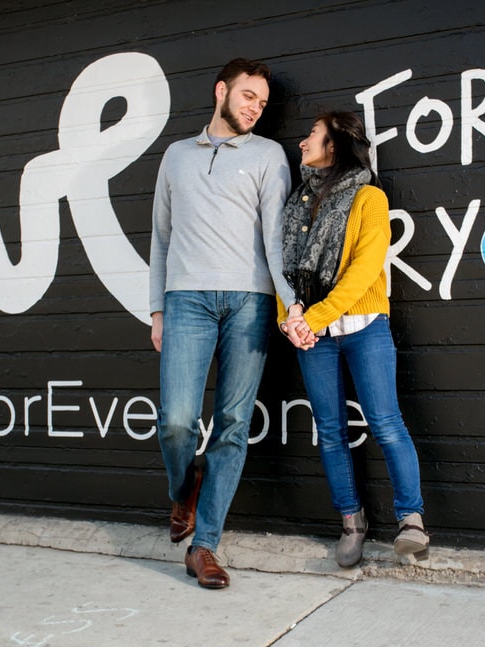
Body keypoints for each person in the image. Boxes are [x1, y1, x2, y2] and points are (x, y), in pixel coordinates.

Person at [149, 58, 297, 589]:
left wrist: (289, 305)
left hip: (250, 303)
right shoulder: (175, 156)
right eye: (248, 96)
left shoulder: (270, 156)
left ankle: (204, 545)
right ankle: (184, 484)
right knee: (176, 421)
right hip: (186, 299)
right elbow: (161, 237)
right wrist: (157, 308)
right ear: (221, 92)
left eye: (262, 101)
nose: (256, 107)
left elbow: (277, 238)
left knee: (233, 426)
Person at [279, 111, 429, 568]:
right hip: (312, 335)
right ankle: (351, 522)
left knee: (386, 423)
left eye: (313, 134)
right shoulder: (297, 203)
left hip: (364, 327)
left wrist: (316, 316)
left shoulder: (369, 199)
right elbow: (280, 264)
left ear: (336, 144)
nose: (303, 142)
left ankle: (412, 522)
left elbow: (365, 268)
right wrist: (291, 317)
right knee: (329, 431)